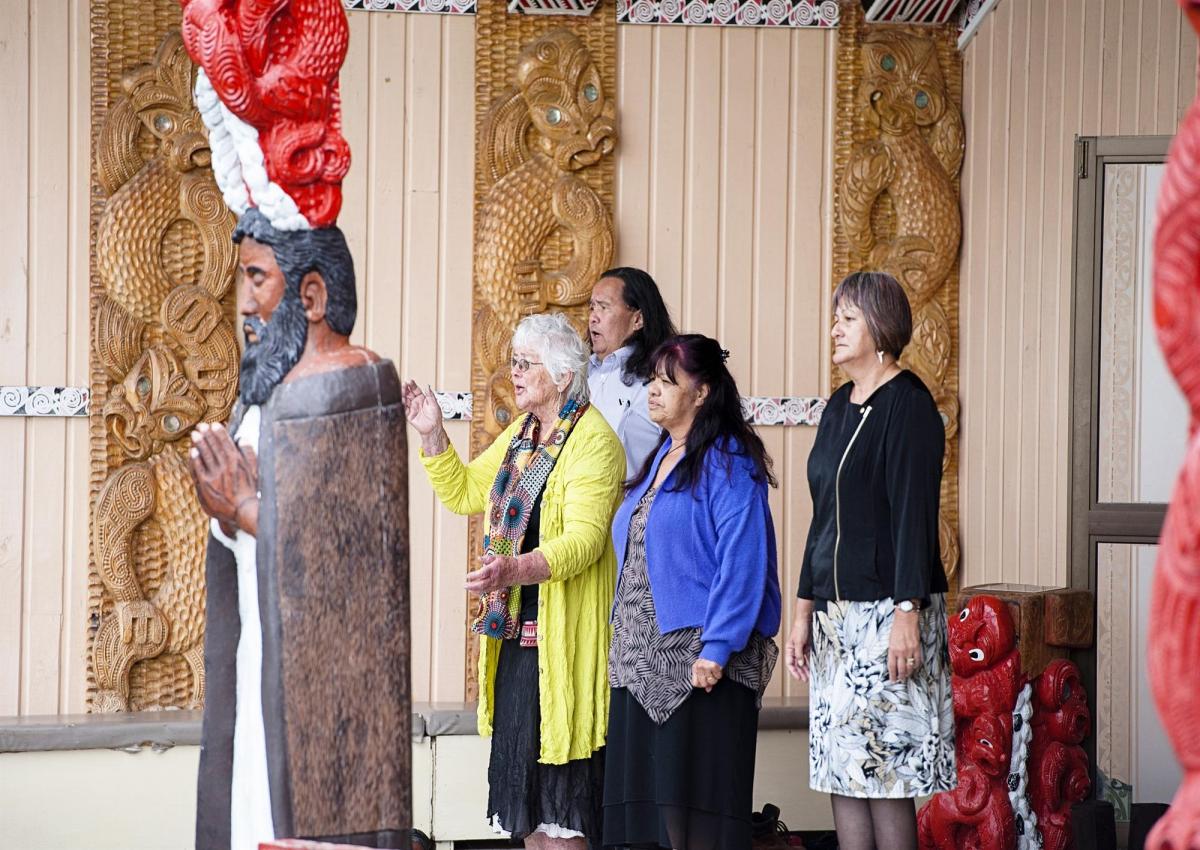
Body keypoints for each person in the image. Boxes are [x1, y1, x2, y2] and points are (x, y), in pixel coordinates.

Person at [184, 4, 411, 849]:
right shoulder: (271, 395)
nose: (243, 303)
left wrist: (246, 511)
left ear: (310, 295)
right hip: (263, 676)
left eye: (258, 280)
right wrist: (230, 513)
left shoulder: (354, 387)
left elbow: (355, 575)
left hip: (329, 732)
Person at [404, 312, 624, 849]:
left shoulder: (593, 441)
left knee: (564, 804)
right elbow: (462, 492)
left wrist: (513, 568)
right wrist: (433, 433)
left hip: (566, 648)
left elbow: (585, 541)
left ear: (563, 376)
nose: (515, 373)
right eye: (514, 361)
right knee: (526, 805)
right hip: (519, 649)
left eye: (526, 364)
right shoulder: (522, 437)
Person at [785, 271, 956, 850]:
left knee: (886, 773)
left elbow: (914, 517)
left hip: (889, 615)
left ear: (880, 329)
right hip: (837, 621)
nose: (834, 327)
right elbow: (823, 515)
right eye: (835, 316)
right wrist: (803, 609)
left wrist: (908, 610)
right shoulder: (838, 406)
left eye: (847, 318)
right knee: (843, 769)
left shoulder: (908, 407)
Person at [603, 334, 782, 850]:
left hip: (699, 667)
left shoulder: (728, 461)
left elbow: (743, 560)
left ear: (701, 392)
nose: (653, 391)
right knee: (650, 823)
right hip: (640, 666)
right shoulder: (659, 457)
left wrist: (718, 646)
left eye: (667, 381)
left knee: (695, 820)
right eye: (652, 380)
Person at [587, 267, 678, 478]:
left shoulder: (658, 379)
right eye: (591, 307)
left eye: (603, 307)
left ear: (638, 319)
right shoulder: (582, 374)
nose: (593, 317)